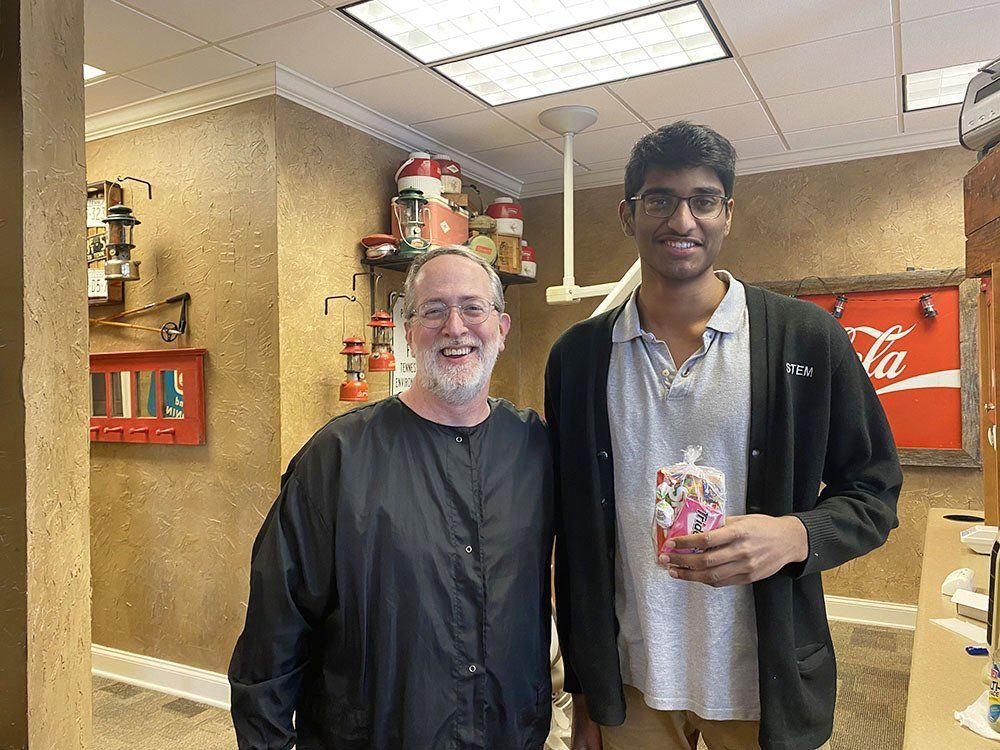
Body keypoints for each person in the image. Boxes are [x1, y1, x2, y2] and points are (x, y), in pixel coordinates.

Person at [544, 121, 902, 750]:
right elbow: (573, 536)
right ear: (628, 215)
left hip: (762, 683)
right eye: (659, 199)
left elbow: (874, 490)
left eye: (702, 200)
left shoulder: (806, 340)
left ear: (727, 214)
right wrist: (588, 693)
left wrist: (795, 534)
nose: (681, 219)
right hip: (634, 681)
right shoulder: (578, 357)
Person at [230, 245, 554, 749]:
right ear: (407, 329)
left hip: (508, 733)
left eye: (473, 307)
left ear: (502, 329)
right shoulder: (338, 457)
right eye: (433, 310)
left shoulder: (535, 449)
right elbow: (276, 624)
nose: (455, 327)